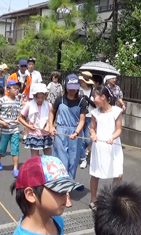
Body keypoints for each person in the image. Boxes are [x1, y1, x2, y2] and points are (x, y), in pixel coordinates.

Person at [10, 155, 84, 235]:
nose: (65, 195)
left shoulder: (57, 220)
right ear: (30, 195)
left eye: (66, 189)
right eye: (58, 190)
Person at [48, 73, 87, 208]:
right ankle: (64, 193)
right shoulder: (60, 99)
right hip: (61, 132)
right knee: (61, 161)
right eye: (70, 87)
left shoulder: (82, 101)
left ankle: (68, 187)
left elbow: (82, 120)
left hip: (75, 134)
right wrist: (51, 126)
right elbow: (52, 112)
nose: (72, 90)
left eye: (74, 87)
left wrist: (76, 132)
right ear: (66, 87)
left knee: (72, 163)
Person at [89, 85, 124, 211]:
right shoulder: (95, 112)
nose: (93, 99)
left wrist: (112, 138)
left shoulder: (116, 111)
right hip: (99, 146)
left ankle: (113, 198)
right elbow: (92, 128)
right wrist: (93, 134)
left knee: (118, 174)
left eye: (95, 97)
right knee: (95, 173)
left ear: (103, 97)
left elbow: (119, 129)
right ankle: (94, 199)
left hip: (113, 145)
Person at [0, 80, 22, 178]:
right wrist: (0, 121)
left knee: (15, 148)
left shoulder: (18, 101)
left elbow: (20, 114)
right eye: (14, 88)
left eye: (18, 89)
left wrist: (19, 119)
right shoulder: (2, 100)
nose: (17, 90)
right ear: (8, 89)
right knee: (1, 148)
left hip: (15, 129)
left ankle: (15, 168)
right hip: (3, 129)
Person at [18, 83, 53, 157]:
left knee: (49, 157)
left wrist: (50, 126)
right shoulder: (29, 104)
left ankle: (46, 168)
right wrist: (29, 126)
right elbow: (20, 117)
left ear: (45, 96)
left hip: (46, 134)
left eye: (42, 97)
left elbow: (51, 117)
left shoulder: (48, 105)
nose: (40, 100)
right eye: (38, 98)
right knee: (35, 157)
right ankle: (35, 168)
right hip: (34, 134)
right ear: (34, 96)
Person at [6, 59, 32, 141]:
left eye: (25, 66)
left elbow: (28, 89)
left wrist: (27, 98)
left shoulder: (28, 78)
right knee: (12, 114)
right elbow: (7, 87)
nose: (23, 68)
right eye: (22, 66)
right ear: (19, 66)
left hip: (23, 98)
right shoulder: (13, 76)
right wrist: (8, 97)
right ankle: (10, 131)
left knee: (25, 115)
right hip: (14, 97)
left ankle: (25, 134)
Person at [78, 71, 96, 169]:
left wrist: (87, 99)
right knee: (81, 138)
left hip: (90, 116)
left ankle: (82, 151)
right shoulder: (78, 89)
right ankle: (83, 159)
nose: (81, 82)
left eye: (83, 80)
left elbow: (95, 104)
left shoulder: (93, 91)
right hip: (80, 116)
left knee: (88, 139)